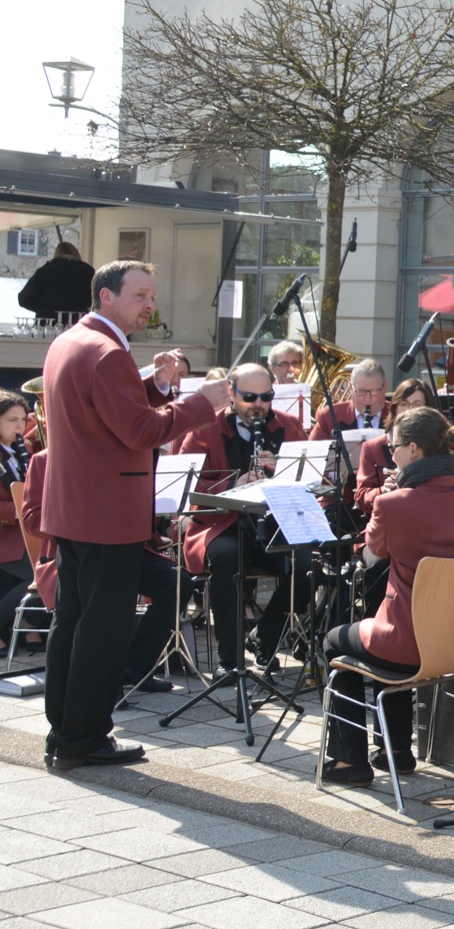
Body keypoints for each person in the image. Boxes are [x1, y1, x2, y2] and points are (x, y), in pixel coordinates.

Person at [39, 260, 226, 769]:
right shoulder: (107, 353)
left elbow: (103, 409)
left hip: (75, 508)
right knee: (102, 629)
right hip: (105, 511)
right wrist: (201, 403)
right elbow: (139, 431)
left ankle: (65, 732)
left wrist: (156, 385)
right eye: (140, 295)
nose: (150, 305)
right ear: (106, 296)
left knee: (72, 622)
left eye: (152, 296)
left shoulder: (72, 341)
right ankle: (84, 738)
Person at [320, 408, 454, 787]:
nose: (392, 454)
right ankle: (395, 751)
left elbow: (371, 555)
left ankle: (351, 761)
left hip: (407, 647)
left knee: (336, 641)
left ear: (414, 449)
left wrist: (388, 499)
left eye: (395, 447)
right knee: (385, 632)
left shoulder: (392, 504)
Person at [176, 364, 311, 671]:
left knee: (306, 564)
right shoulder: (204, 428)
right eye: (249, 397)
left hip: (273, 524)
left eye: (266, 397)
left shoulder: (289, 426)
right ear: (232, 395)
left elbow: (308, 483)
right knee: (228, 558)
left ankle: (265, 637)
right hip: (220, 525)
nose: (258, 404)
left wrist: (282, 470)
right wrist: (232, 485)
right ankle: (230, 659)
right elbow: (189, 486)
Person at [355, 379, 436, 516]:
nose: (409, 410)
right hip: (387, 520)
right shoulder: (372, 448)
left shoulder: (438, 444)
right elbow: (361, 497)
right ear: (395, 408)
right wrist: (382, 491)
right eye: (403, 404)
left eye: (417, 404)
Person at [0, 393, 38, 630]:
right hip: (6, 537)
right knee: (40, 576)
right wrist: (15, 510)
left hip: (27, 534)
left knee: (56, 570)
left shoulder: (25, 449)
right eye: (12, 420)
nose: (20, 426)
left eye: (23, 420)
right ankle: (22, 624)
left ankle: (27, 624)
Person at [310, 357, 390, 438]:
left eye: (374, 391)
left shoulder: (396, 415)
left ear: (385, 388)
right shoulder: (329, 417)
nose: (368, 399)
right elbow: (312, 446)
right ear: (351, 388)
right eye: (361, 391)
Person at [18, 241, 93, 325]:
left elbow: (24, 299)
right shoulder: (87, 271)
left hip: (47, 323)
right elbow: (98, 299)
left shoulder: (45, 270)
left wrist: (43, 309)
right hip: (77, 323)